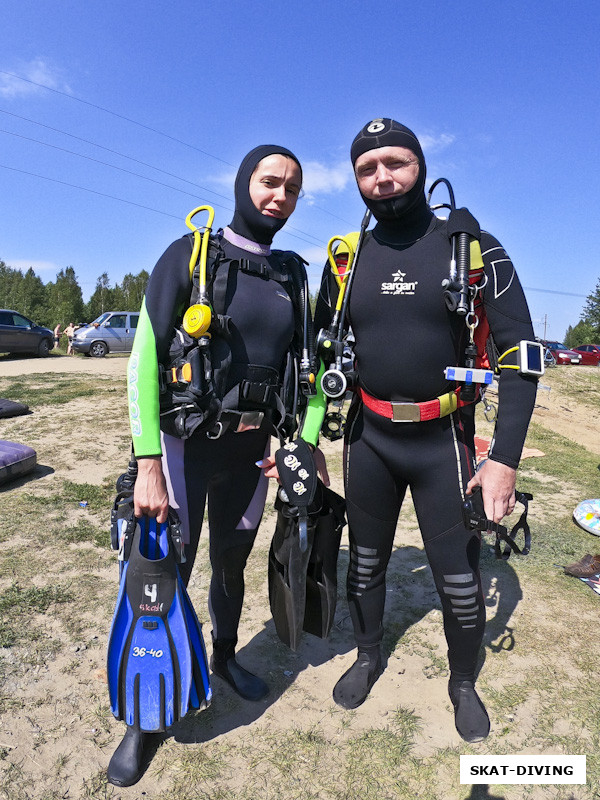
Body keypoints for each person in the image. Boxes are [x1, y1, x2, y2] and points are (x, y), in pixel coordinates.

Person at [310, 118, 539, 742]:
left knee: (459, 579)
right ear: (355, 179)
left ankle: (463, 681)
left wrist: (505, 459)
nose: (382, 178)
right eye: (367, 168)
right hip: (370, 437)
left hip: (446, 440)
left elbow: (522, 355)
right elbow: (319, 356)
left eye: (396, 162)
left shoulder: (475, 248)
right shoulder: (346, 260)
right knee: (364, 562)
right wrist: (306, 438)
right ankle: (367, 653)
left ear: (421, 165)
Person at [108, 144, 318, 787]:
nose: (278, 195)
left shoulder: (292, 275)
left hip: (251, 455)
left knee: (231, 565)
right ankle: (145, 718)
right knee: (164, 573)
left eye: (291, 188)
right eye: (268, 181)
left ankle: (224, 657)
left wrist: (300, 444)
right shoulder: (190, 254)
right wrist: (147, 464)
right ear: (242, 183)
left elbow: (308, 372)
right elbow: (144, 358)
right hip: (182, 451)